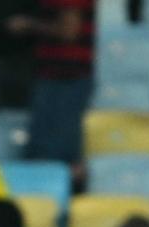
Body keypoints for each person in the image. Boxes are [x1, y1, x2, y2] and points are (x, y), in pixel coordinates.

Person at [11, 0, 95, 165]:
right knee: (43, 151)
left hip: (67, 79)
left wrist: (28, 25)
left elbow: (69, 31)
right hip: (54, 76)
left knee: (54, 154)